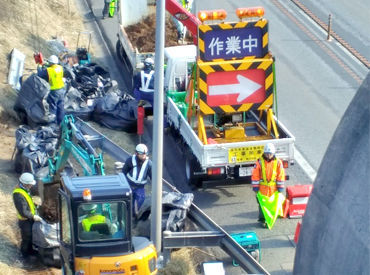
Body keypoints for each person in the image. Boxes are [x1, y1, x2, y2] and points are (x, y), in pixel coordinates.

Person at [251, 143, 285, 227]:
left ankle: (269, 219)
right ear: (264, 153)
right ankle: (263, 219)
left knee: (272, 205)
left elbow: (281, 175)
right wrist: (255, 187)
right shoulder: (259, 162)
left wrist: (280, 187)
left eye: (270, 154)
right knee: (262, 206)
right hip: (263, 189)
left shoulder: (278, 162)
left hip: (273, 189)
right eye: (267, 153)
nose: (268, 155)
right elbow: (255, 175)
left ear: (273, 153)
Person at [12, 172, 43, 258]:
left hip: (28, 219)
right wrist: (33, 216)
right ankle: (24, 255)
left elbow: (28, 203)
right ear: (25, 184)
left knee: (31, 237)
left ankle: (30, 251)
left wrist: (35, 204)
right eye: (30, 184)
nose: (31, 186)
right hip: (24, 221)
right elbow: (23, 211)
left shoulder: (25, 190)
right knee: (27, 238)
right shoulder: (18, 194)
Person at [122, 144, 152, 217]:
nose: (144, 156)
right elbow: (124, 171)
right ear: (136, 153)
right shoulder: (130, 160)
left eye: (145, 154)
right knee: (128, 203)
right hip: (129, 186)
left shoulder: (149, 164)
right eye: (142, 154)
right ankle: (128, 216)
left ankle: (136, 217)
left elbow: (152, 177)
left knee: (140, 204)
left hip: (140, 188)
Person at [38, 55, 66, 124]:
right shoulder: (60, 68)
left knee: (53, 107)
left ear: (50, 62)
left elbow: (39, 74)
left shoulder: (49, 70)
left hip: (54, 91)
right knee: (60, 107)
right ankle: (60, 123)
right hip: (62, 89)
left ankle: (52, 124)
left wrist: (39, 67)